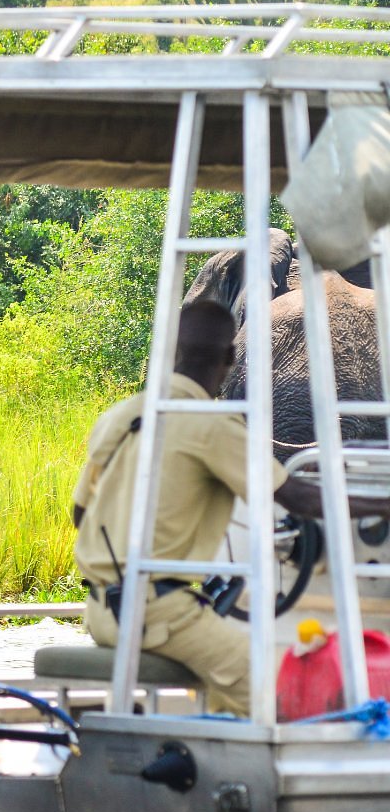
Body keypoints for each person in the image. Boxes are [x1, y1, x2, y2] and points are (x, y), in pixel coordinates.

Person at [71, 300, 371, 715]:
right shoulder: (212, 426)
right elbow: (299, 498)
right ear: (232, 356)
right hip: (160, 615)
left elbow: (80, 515)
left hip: (102, 610)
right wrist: (382, 505)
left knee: (230, 694)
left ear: (174, 350)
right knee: (286, 695)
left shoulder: (120, 416)